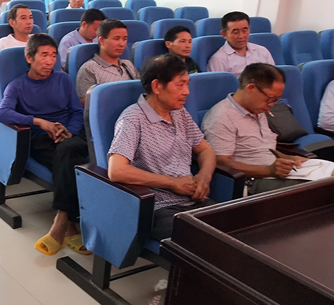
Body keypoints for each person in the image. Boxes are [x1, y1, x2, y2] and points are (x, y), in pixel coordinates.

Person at [0, 34, 90, 256]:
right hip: (41, 139)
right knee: (70, 161)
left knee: (67, 151)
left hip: (70, 134)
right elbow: (3, 113)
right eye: (44, 55)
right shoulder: (17, 86)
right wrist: (40, 122)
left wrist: (69, 131)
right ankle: (69, 224)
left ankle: (62, 220)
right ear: (29, 57)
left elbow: (77, 111)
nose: (50, 61)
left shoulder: (63, 79)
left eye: (53, 56)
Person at [107, 54, 218, 240]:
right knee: (206, 241)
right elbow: (116, 171)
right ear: (157, 86)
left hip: (192, 200)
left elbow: (205, 150)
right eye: (180, 85)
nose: (187, 92)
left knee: (234, 230)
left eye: (187, 84)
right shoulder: (133, 118)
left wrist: (204, 177)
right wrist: (172, 183)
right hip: (159, 207)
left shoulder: (180, 113)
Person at [202, 63, 334, 194]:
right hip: (253, 180)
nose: (271, 105)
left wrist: (289, 158)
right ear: (251, 88)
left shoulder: (257, 109)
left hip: (275, 171)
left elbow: (264, 149)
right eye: (271, 98)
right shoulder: (221, 116)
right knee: (326, 186)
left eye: (276, 99)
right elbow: (221, 162)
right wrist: (269, 170)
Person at [76, 19, 139, 105]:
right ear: (101, 40)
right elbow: (88, 104)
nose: (122, 44)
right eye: (116, 39)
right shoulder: (89, 69)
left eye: (124, 39)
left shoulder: (128, 65)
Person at [207, 11, 274, 75]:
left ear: (249, 29)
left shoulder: (262, 51)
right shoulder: (219, 60)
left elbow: (274, 76)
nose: (241, 36)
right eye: (235, 32)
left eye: (245, 30)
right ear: (224, 34)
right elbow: (219, 82)